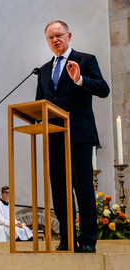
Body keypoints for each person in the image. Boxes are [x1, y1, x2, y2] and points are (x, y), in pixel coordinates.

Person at [36, 20, 110, 253]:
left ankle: (87, 241)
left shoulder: (86, 60)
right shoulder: (44, 70)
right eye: (51, 38)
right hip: (54, 136)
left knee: (83, 187)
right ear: (47, 42)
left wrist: (79, 80)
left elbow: (103, 89)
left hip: (78, 134)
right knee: (59, 189)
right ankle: (67, 239)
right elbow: (41, 102)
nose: (55, 40)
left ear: (69, 36)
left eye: (59, 35)